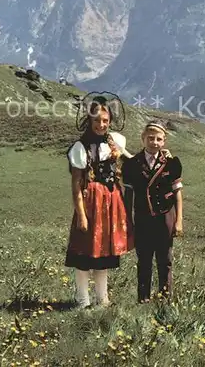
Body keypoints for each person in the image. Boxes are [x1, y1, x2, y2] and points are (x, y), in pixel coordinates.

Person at [65, 92, 134, 308]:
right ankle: (82, 300)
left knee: (103, 253)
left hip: (112, 202)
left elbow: (132, 161)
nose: (101, 125)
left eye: (105, 120)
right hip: (91, 202)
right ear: (89, 120)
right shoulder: (80, 148)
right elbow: (76, 184)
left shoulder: (116, 141)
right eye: (97, 120)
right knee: (84, 253)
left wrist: (159, 155)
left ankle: (102, 299)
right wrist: (82, 215)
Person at [123, 120, 183, 303]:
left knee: (165, 260)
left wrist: (179, 220)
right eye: (150, 138)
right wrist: (128, 221)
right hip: (142, 218)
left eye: (158, 139)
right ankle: (143, 299)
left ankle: (165, 298)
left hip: (165, 217)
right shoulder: (132, 164)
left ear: (164, 141)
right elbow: (128, 196)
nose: (154, 143)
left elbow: (177, 193)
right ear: (143, 139)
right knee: (144, 260)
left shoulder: (172, 163)